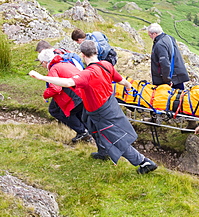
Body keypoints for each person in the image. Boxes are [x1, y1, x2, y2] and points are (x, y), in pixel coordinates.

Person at [29, 40, 157, 174]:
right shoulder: (106, 65)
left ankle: (144, 162)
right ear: (96, 52)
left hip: (101, 112)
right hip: (106, 105)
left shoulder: (87, 74)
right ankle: (103, 152)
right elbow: (120, 79)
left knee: (114, 139)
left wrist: (42, 77)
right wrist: (128, 85)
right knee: (90, 125)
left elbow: (67, 82)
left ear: (83, 55)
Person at [37, 49, 90, 143]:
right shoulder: (65, 62)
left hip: (74, 95)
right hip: (84, 92)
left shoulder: (54, 69)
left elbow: (56, 89)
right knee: (76, 113)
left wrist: (45, 94)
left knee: (64, 113)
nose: (42, 65)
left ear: (45, 62)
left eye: (41, 63)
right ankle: (85, 132)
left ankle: (83, 132)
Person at [147, 23, 189, 90]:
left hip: (170, 80)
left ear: (154, 34)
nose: (150, 37)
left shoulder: (160, 45)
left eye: (150, 35)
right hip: (177, 76)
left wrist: (167, 80)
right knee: (180, 97)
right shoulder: (169, 38)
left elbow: (165, 64)